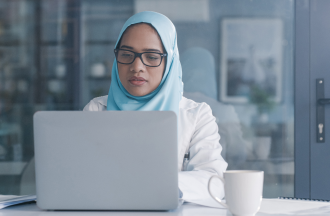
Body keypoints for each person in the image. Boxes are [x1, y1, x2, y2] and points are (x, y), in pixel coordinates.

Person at [83, 11, 227, 207]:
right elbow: (81, 175)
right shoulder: (97, 110)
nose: (137, 67)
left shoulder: (196, 115)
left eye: (151, 57)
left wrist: (158, 184)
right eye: (126, 54)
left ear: (170, 62)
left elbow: (213, 181)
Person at [181, 47, 249, 169]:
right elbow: (239, 153)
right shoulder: (224, 111)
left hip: (173, 183)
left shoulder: (169, 108)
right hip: (214, 181)